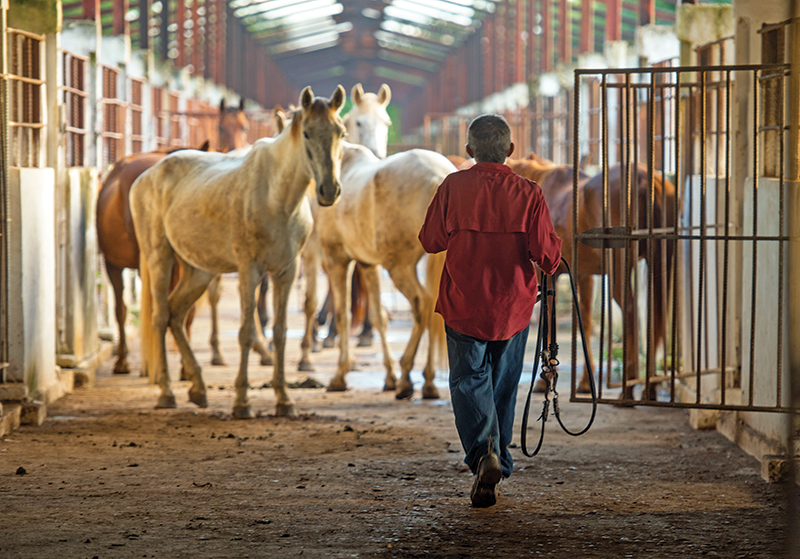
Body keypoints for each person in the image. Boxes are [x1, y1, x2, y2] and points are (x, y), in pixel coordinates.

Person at [418, 114, 562, 508]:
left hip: (464, 303)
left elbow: (430, 241)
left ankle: (484, 456)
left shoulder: (453, 186)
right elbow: (546, 256)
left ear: (469, 151)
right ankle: (496, 458)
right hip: (512, 307)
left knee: (468, 382)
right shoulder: (529, 192)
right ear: (511, 151)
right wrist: (556, 248)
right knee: (501, 384)